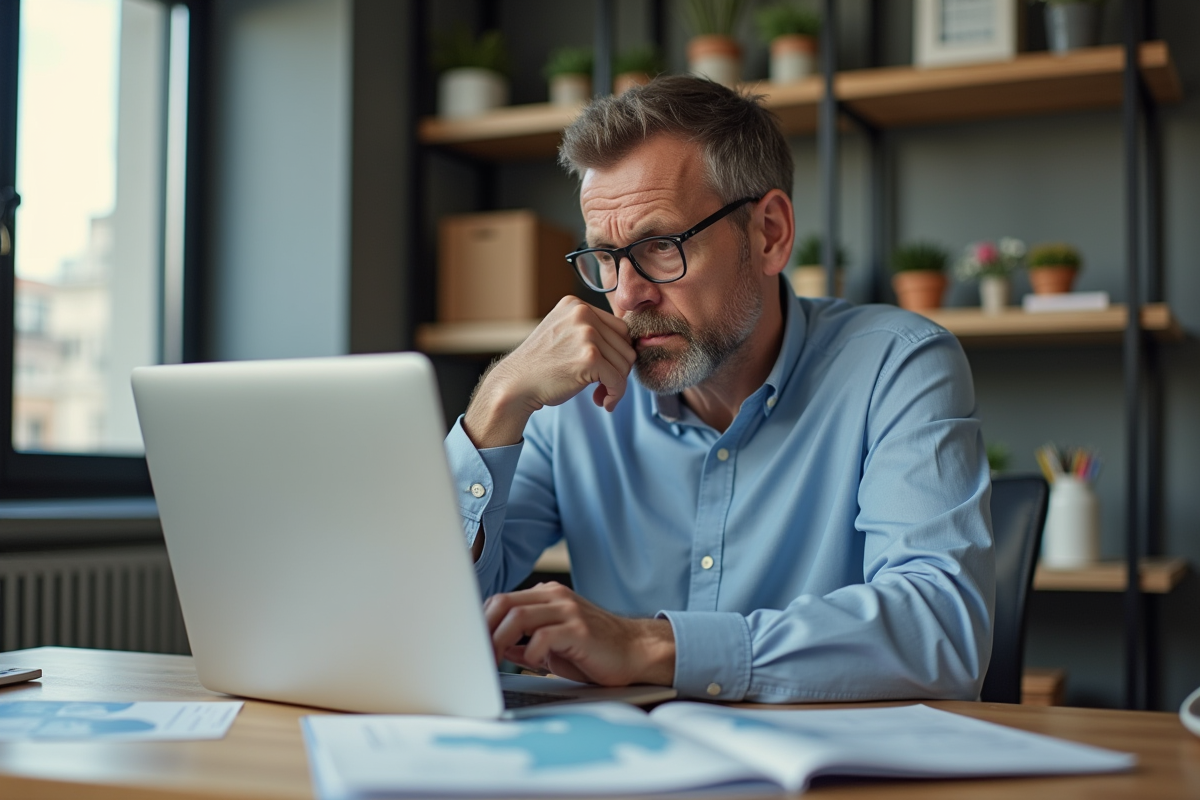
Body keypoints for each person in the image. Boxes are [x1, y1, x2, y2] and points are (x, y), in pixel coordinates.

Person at [444, 75, 994, 703]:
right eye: (606, 256)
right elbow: (426, 616)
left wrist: (649, 647)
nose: (627, 294)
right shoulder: (572, 399)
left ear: (769, 235)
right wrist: (498, 404)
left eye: (660, 246)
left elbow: (942, 630)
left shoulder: (896, 367)